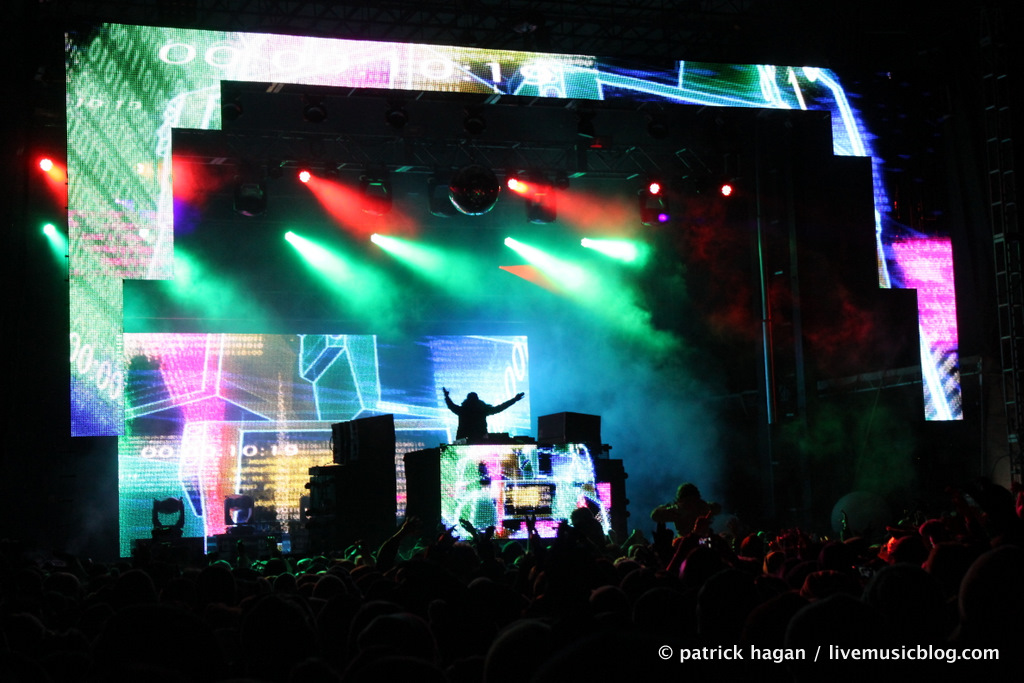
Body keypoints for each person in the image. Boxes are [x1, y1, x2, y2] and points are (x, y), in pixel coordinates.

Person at [443, 387, 524, 442]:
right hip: (479, 438)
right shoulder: (483, 410)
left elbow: (451, 405)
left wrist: (446, 396)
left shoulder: (462, 410)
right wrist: (514, 399)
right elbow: (500, 408)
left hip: (463, 439)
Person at [651, 482, 721, 535]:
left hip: (699, 540)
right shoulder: (677, 509)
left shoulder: (701, 506)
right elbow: (655, 515)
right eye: (688, 501)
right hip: (685, 541)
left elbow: (717, 508)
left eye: (692, 501)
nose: (690, 505)